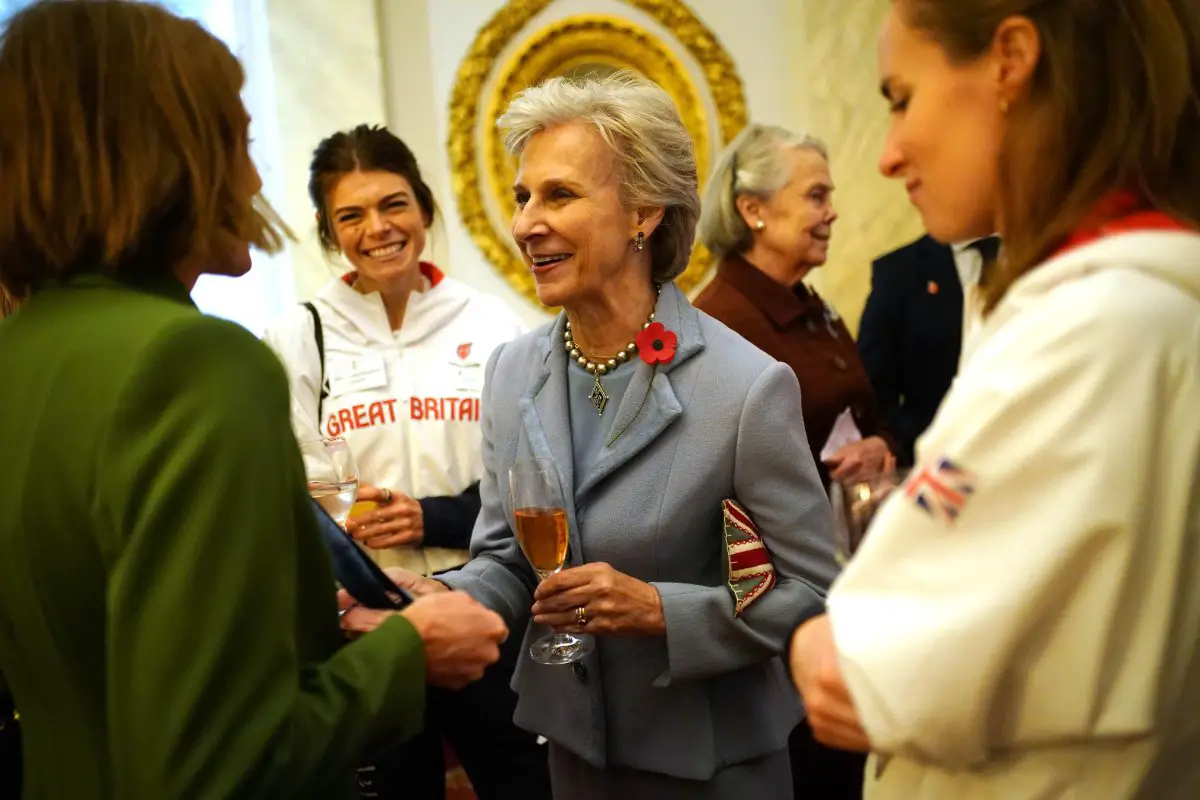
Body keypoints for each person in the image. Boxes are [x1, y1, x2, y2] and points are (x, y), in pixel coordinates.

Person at [0, 2, 507, 797]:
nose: (253, 177)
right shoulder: (191, 360)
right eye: (237, 139)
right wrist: (408, 651)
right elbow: (217, 760)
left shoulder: (21, 355)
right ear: (167, 156)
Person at [370, 71, 839, 799]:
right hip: (573, 757)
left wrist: (664, 612)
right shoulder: (511, 373)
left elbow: (813, 589)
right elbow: (507, 560)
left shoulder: (746, 386)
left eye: (559, 195)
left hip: (714, 767)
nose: (526, 221)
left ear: (643, 213)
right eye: (524, 196)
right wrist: (437, 595)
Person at [790, 1, 1200, 798]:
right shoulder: (1137, 308)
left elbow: (865, 679)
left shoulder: (1093, 330)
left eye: (902, 98)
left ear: (1010, 59)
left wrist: (819, 640)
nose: (889, 154)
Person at [264, 125, 547, 800]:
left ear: (423, 207)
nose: (377, 228)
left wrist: (429, 517)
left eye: (393, 204)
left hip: (485, 610)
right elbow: (287, 490)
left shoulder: (491, 324)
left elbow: (531, 482)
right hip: (367, 632)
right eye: (350, 215)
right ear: (329, 233)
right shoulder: (298, 334)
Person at [695, 124, 898, 490]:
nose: (832, 214)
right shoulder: (716, 324)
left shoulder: (814, 309)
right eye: (816, 196)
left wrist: (880, 446)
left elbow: (868, 413)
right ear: (753, 210)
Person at [857, 233, 1000, 465]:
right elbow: (874, 387)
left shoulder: (1042, 245)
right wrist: (919, 443)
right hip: (947, 465)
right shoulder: (899, 272)